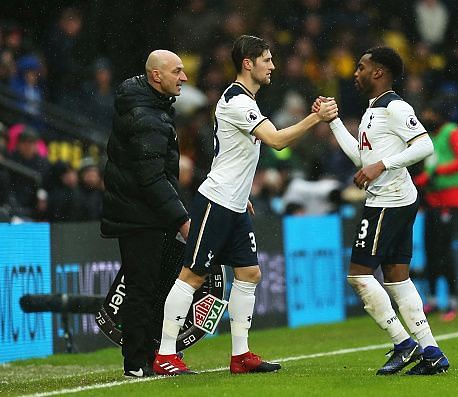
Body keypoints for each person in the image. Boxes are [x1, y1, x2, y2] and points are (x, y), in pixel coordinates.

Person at [153, 35, 337, 375]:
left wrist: (244, 195)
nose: (273, 66)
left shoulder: (246, 101)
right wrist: (316, 118)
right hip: (217, 201)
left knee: (250, 273)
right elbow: (278, 142)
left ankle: (241, 355)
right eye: (267, 60)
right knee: (192, 275)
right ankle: (165, 353)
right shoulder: (237, 101)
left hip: (235, 203)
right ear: (248, 63)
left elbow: (232, 153)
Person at [314, 46, 448, 375]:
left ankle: (403, 343)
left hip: (388, 200)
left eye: (361, 67)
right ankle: (432, 352)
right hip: (396, 198)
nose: (355, 73)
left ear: (378, 72)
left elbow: (425, 145)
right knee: (397, 278)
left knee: (358, 276)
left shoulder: (395, 106)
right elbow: (362, 161)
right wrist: (333, 123)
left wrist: (381, 166)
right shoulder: (373, 110)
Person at [100, 50, 191, 378]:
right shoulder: (146, 115)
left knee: (151, 285)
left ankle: (150, 356)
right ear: (156, 76)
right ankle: (137, 362)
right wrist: (182, 219)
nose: (184, 77)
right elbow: (151, 178)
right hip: (140, 216)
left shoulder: (152, 107)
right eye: (177, 71)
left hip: (145, 214)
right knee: (143, 287)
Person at [414, 99, 458, 321]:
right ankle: (431, 301)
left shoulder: (452, 132)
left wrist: (437, 172)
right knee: (431, 249)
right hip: (433, 199)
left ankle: (452, 301)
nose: (427, 116)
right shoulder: (428, 137)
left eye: (430, 111)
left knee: (445, 251)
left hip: (450, 198)